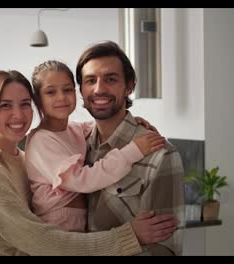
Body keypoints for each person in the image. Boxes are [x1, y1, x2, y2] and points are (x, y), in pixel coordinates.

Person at [0, 70, 179, 255]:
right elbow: (39, 240)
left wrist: (128, 122)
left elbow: (80, 130)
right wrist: (129, 236)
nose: (18, 114)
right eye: (5, 105)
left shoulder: (22, 159)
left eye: (24, 104)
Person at [25, 60, 166, 232]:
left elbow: (98, 126)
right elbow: (83, 180)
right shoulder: (41, 141)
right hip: (56, 227)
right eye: (51, 92)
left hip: (80, 225)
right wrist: (132, 152)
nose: (61, 97)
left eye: (67, 89)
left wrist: (131, 122)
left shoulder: (74, 130)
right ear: (38, 100)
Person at [75, 41, 185, 256]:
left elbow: (165, 249)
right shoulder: (76, 146)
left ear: (129, 86)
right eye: (90, 80)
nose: (99, 89)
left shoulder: (160, 156)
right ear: (81, 89)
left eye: (110, 79)